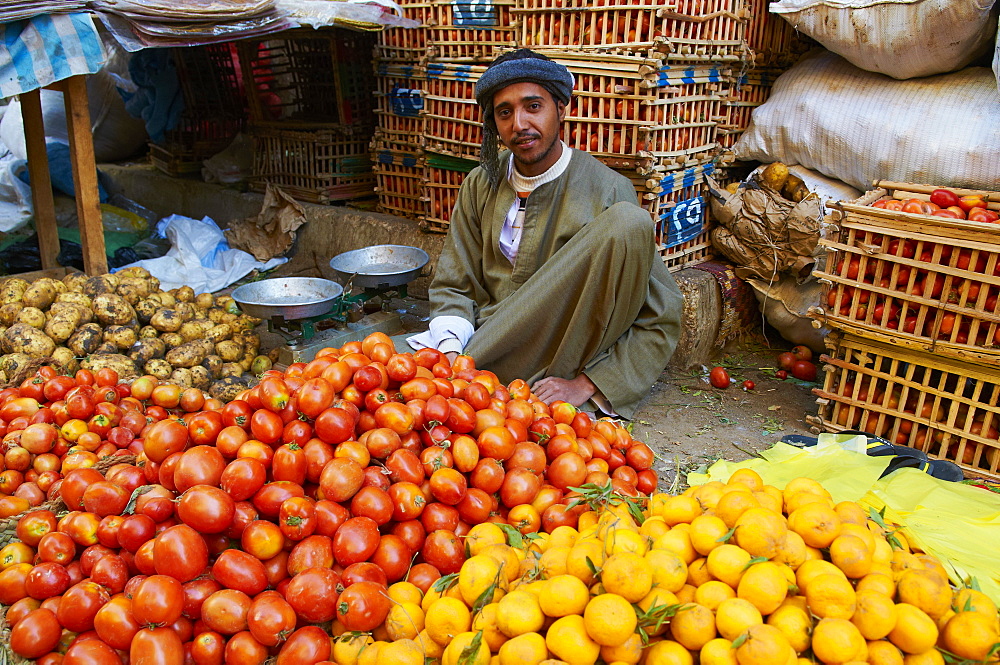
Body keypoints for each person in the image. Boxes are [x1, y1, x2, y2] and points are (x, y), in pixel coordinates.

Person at [408, 49, 683, 419]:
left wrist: (588, 384)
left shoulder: (608, 190)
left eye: (533, 106)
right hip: (489, 344)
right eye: (504, 112)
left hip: (563, 357)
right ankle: (481, 383)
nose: (519, 123)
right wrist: (453, 355)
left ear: (561, 108)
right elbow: (454, 285)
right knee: (374, 378)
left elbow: (659, 316)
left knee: (629, 221)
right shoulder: (480, 183)